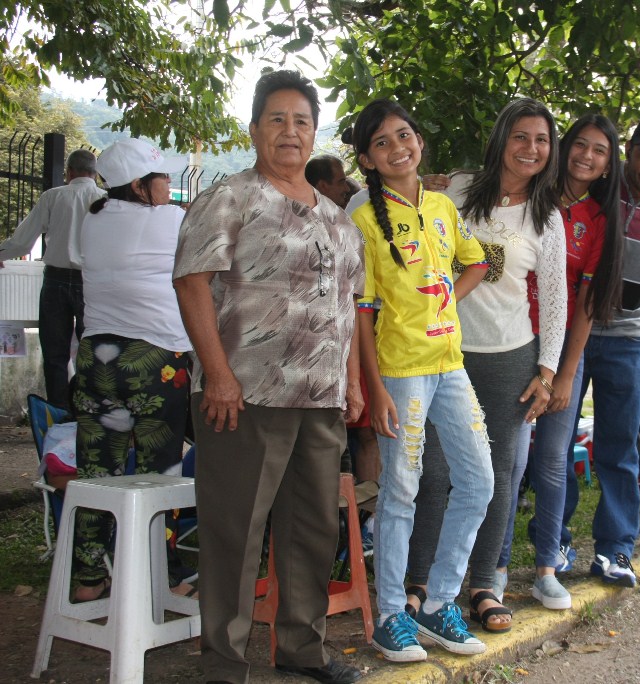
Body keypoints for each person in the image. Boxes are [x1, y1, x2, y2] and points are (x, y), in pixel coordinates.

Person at [173, 70, 364, 684]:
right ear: (254, 129)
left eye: (302, 121)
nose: (290, 131)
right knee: (236, 530)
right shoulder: (230, 198)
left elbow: (348, 309)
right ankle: (224, 665)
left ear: (315, 134)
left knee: (312, 529)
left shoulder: (339, 219)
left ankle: (302, 650)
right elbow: (191, 281)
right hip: (245, 394)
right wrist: (219, 375)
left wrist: (353, 383)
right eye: (277, 119)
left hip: (321, 398)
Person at [408, 98, 567, 633]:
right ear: (502, 138)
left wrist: (547, 372)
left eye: (542, 140)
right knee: (433, 472)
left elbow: (557, 300)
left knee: (498, 475)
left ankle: (484, 584)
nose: (531, 149)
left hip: (510, 357)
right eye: (521, 136)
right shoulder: (453, 190)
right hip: (442, 350)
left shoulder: (547, 217)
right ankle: (420, 583)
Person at [346, 99, 493, 661]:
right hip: (400, 373)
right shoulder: (362, 218)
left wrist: (446, 302)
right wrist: (372, 386)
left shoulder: (442, 207)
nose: (396, 148)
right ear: (367, 158)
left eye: (403, 135)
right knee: (401, 490)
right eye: (381, 143)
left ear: (419, 141)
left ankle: (437, 605)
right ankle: (389, 616)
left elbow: (476, 261)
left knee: (479, 481)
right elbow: (361, 311)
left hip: (450, 366)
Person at [69, 139, 192, 603]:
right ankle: (164, 578)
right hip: (155, 363)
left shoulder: (93, 221)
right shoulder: (170, 221)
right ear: (140, 186)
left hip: (96, 359)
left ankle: (88, 578)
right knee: (161, 474)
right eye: (162, 180)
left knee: (98, 474)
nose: (169, 187)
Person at [520, 114, 622, 609]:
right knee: (503, 458)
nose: (586, 155)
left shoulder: (599, 220)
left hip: (560, 351)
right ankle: (486, 569)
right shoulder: (529, 195)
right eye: (578, 144)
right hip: (508, 341)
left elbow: (586, 302)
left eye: (598, 150)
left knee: (552, 461)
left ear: (607, 165)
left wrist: (566, 373)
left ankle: (545, 569)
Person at [0, 150, 106, 409]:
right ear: (96, 174)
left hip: (56, 281)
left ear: (68, 172)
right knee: (93, 352)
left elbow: (23, 242)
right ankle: (89, 409)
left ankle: (59, 411)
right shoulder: (107, 200)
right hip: (92, 282)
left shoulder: (53, 196)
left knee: (55, 354)